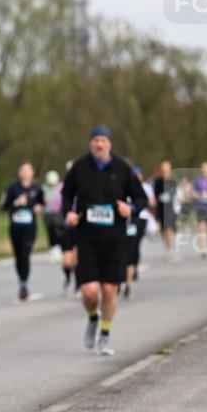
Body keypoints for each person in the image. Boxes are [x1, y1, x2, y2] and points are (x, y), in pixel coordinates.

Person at [61, 124, 147, 356]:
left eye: (103, 140)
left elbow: (141, 198)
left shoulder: (122, 168)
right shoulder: (80, 167)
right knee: (89, 291)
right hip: (87, 238)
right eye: (95, 140)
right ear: (90, 143)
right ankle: (92, 318)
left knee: (109, 290)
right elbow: (66, 193)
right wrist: (69, 212)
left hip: (114, 240)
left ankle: (105, 335)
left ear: (110, 143)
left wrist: (130, 208)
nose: (99, 144)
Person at [1, 162, 45, 301]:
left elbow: (42, 203)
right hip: (15, 226)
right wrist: (16, 203)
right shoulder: (12, 188)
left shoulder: (37, 188)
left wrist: (39, 207)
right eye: (23, 170)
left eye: (28, 170)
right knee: (18, 256)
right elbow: (3, 206)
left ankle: (24, 285)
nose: (25, 173)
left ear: (32, 173)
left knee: (25, 254)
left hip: (30, 227)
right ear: (19, 173)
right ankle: (21, 281)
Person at [123, 166, 155, 299]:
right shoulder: (121, 186)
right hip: (122, 222)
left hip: (138, 220)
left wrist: (135, 208)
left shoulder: (145, 187)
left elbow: (148, 201)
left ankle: (128, 284)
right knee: (121, 251)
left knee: (133, 248)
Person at [51, 160, 78, 295]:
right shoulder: (61, 187)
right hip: (66, 227)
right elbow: (55, 208)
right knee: (67, 261)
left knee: (78, 258)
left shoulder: (84, 185)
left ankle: (79, 283)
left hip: (80, 227)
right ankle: (68, 277)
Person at [153, 160, 178, 258]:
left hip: (169, 207)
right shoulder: (158, 180)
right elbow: (155, 193)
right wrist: (160, 197)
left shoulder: (172, 180)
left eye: (167, 169)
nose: (165, 171)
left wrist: (168, 195)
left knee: (168, 227)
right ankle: (166, 246)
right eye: (163, 169)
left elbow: (174, 192)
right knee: (162, 228)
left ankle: (170, 247)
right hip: (160, 206)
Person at [42, 170, 62, 263]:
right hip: (47, 214)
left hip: (57, 214)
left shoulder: (60, 187)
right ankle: (53, 251)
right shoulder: (44, 188)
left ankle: (58, 251)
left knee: (57, 232)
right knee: (50, 232)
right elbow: (42, 200)